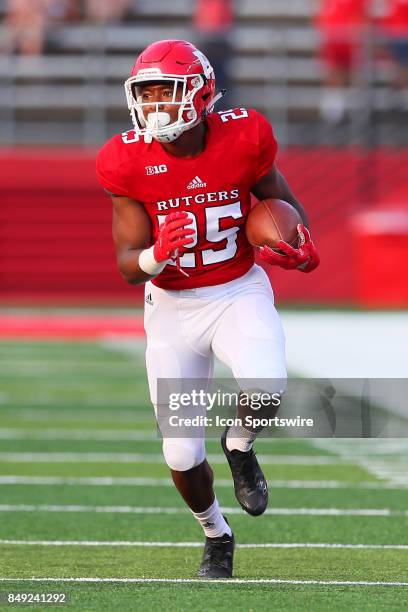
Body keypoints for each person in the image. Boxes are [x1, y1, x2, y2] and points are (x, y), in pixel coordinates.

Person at [96, 39, 319, 579]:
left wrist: (297, 248)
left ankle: (239, 444)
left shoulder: (245, 135)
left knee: (267, 382)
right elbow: (128, 264)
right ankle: (217, 534)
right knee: (179, 454)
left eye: (166, 92)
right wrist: (156, 254)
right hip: (170, 306)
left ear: (201, 93)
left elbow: (282, 206)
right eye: (145, 95)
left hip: (238, 288)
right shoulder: (124, 159)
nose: (154, 106)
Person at [316, 0, 369, 122]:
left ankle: (353, 111)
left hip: (351, 40)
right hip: (333, 38)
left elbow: (362, 16)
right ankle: (334, 112)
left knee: (352, 73)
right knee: (334, 71)